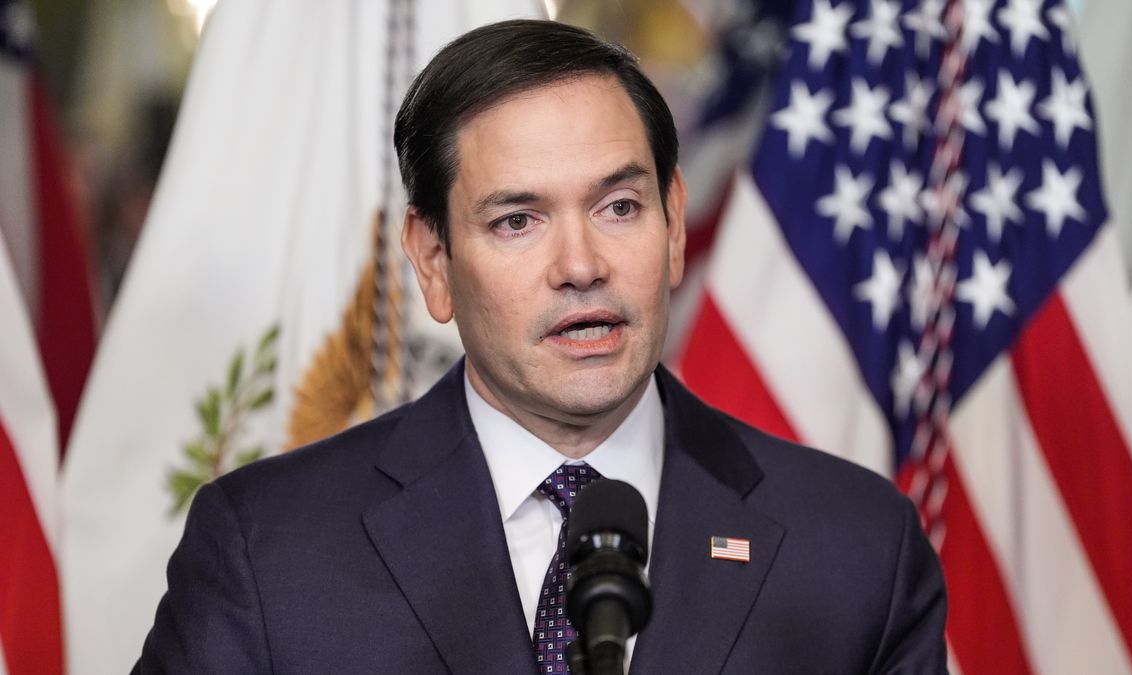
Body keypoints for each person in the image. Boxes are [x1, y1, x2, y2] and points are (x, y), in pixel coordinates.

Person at [136, 19, 946, 674]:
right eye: (517, 221)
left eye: (620, 206)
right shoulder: (269, 550)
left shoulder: (855, 548)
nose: (582, 265)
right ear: (433, 259)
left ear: (673, 225)